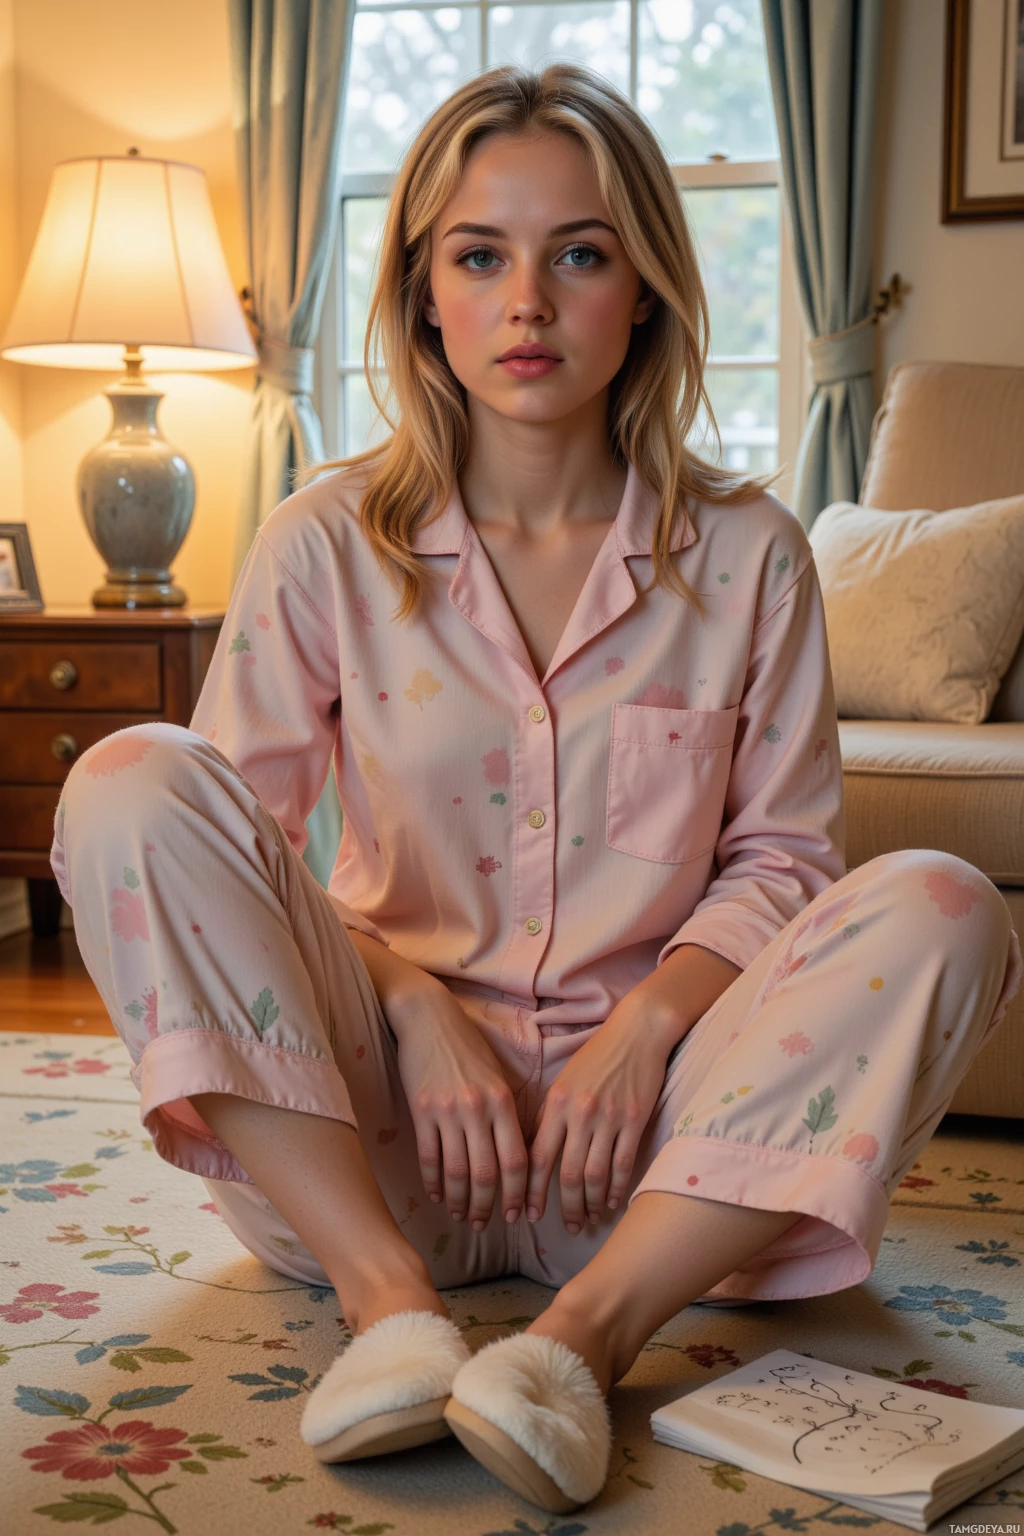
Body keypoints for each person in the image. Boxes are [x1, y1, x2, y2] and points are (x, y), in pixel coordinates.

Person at [50, 62, 1022, 1517]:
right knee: (131, 778)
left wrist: (649, 1026)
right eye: (479, 254)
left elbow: (782, 860)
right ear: (423, 291)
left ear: (643, 289)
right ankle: (391, 1315)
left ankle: (579, 1346)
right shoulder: (325, 541)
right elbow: (234, 856)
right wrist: (409, 999)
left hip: (655, 1170)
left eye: (579, 252)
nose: (528, 301)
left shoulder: (750, 554)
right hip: (372, 1149)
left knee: (948, 903)